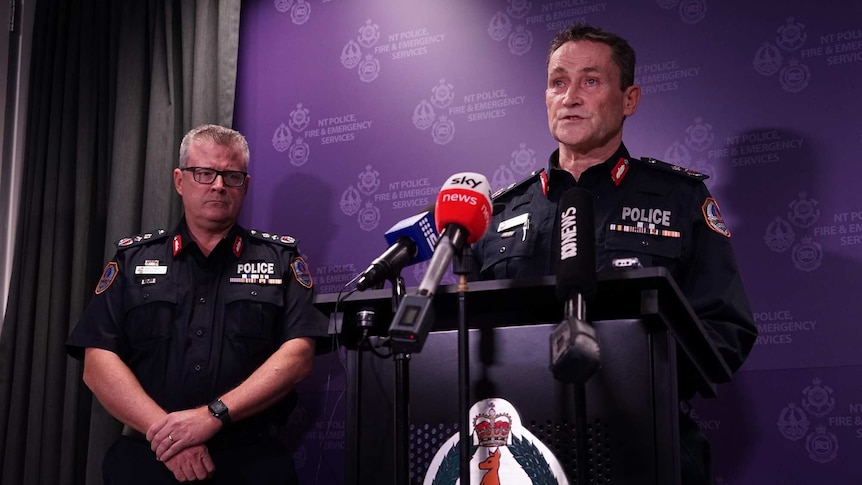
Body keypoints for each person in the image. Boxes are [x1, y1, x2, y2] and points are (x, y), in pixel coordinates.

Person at [472, 25, 757, 484]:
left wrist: (636, 376)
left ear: (629, 100)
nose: (570, 97)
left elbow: (725, 328)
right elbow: (462, 336)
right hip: (521, 451)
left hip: (641, 441)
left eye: (590, 81)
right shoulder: (499, 209)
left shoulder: (678, 197)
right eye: (557, 82)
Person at [67, 124, 330, 484]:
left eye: (231, 176)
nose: (218, 185)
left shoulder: (281, 260)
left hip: (250, 463)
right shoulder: (132, 259)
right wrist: (174, 438)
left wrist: (211, 417)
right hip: (149, 460)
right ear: (179, 180)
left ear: (246, 185)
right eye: (204, 173)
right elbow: (97, 364)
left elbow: (298, 356)